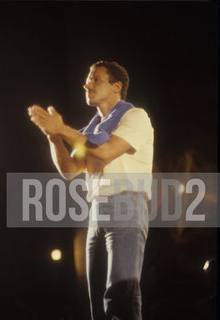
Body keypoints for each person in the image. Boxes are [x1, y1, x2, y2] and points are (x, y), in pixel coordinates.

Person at [28, 61, 154, 319]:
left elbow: (106, 152)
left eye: (95, 79)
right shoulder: (92, 128)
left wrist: (62, 129)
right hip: (96, 212)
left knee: (120, 296)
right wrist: (53, 137)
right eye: (88, 80)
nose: (87, 84)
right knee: (97, 304)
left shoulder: (134, 116)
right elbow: (70, 170)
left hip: (126, 206)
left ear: (116, 87)